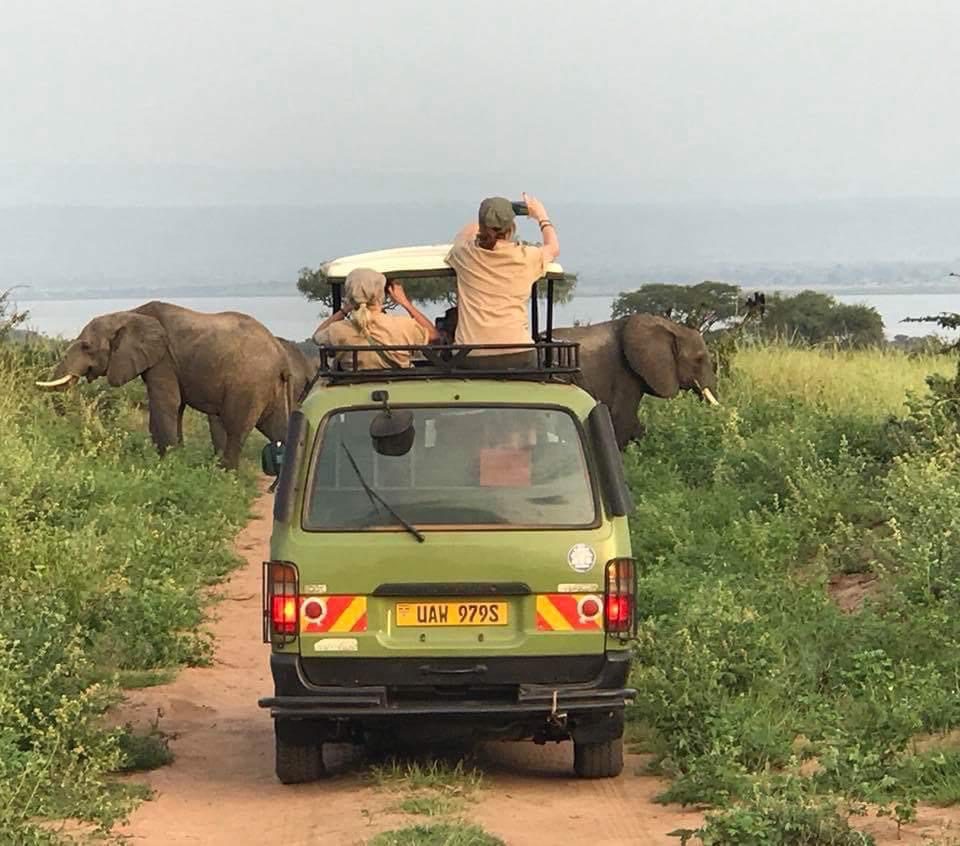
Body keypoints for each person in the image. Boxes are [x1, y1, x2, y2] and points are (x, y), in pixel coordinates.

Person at [445, 193, 560, 369]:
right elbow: (553, 247)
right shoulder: (525, 257)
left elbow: (462, 236)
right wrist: (541, 216)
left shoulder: (465, 254)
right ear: (511, 228)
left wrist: (483, 220)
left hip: (470, 355)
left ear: (481, 226)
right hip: (518, 352)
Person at [312, 267, 440, 369]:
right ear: (381, 294)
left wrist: (345, 309)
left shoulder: (337, 330)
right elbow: (434, 336)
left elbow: (317, 337)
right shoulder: (404, 325)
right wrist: (405, 302)